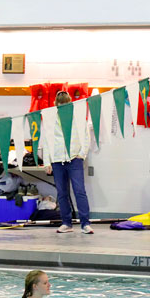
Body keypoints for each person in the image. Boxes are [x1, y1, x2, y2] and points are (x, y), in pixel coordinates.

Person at [44, 90, 93, 234]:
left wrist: (81, 154)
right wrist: (47, 162)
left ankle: (85, 223)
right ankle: (66, 223)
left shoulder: (78, 119)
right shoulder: (50, 121)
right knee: (62, 193)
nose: (63, 108)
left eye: (66, 105)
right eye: (61, 105)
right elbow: (47, 142)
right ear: (57, 105)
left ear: (70, 104)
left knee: (80, 191)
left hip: (74, 159)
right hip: (57, 160)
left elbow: (86, 137)